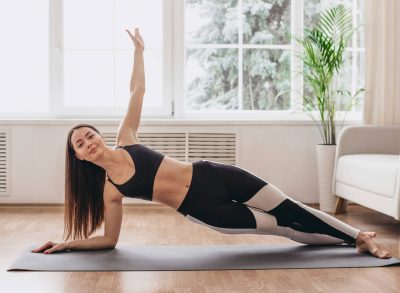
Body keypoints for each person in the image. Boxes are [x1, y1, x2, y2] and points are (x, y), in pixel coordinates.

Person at [32, 28, 391, 259]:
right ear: (77, 156)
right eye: (79, 143)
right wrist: (68, 243)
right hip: (204, 208)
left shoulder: (126, 138)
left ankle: (359, 236)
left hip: (215, 175)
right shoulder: (110, 190)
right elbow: (109, 240)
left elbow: (137, 91)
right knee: (285, 229)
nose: (88, 142)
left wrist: (139, 51)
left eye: (89, 134)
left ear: (98, 134)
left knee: (291, 207)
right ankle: (350, 241)